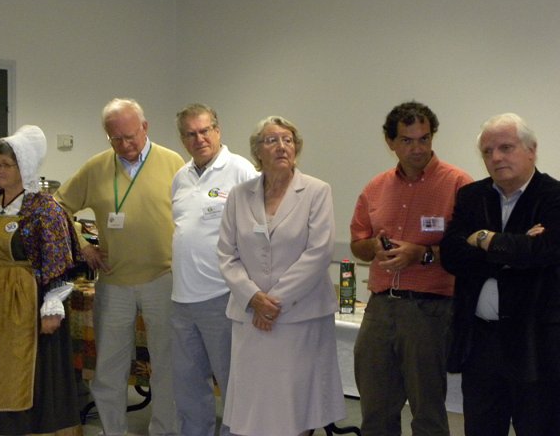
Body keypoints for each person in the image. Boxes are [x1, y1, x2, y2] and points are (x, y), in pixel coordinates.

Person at [55, 98, 183, 436]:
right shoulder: (96, 167)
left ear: (145, 127)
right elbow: (58, 207)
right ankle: (114, 431)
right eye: (116, 139)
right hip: (114, 281)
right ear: (107, 136)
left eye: (131, 136)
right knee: (109, 366)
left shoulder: (173, 162)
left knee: (167, 365)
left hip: (164, 278)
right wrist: (82, 245)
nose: (125, 145)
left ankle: (166, 431)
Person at [350, 101, 473, 436]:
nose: (417, 148)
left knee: (427, 411)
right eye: (407, 140)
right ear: (391, 142)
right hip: (380, 307)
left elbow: (468, 251)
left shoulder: (458, 184)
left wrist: (422, 254)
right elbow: (358, 244)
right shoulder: (376, 187)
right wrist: (374, 247)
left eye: (424, 139)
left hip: (429, 310)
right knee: (375, 408)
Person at [218, 116, 346, 436]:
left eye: (288, 140)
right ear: (257, 151)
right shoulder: (239, 195)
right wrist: (253, 298)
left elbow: (319, 252)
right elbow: (227, 254)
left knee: (296, 406)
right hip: (251, 318)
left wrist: (273, 302)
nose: (281, 146)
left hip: (300, 318)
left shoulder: (316, 191)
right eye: (272, 140)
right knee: (255, 406)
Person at [0, 125, 82, 435]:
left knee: (17, 371)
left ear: (23, 167)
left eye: (5, 165)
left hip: (21, 307)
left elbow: (58, 258)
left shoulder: (44, 208)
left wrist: (52, 305)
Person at [440, 113, 560, 435]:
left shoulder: (554, 197)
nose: (495, 157)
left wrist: (482, 238)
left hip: (535, 346)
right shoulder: (471, 196)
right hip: (481, 343)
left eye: (506, 147)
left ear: (532, 150)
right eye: (487, 151)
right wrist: (513, 249)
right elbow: (451, 256)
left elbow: (544, 252)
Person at [171, 103, 257, 436]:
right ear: (183, 139)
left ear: (218, 131)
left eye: (205, 131)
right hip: (182, 299)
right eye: (191, 134)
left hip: (222, 296)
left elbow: (259, 231)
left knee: (234, 384)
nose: (199, 139)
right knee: (188, 388)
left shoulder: (240, 170)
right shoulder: (180, 177)